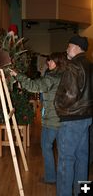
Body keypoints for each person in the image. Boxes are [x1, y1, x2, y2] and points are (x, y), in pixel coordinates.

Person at [9, 52, 67, 184]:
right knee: (64, 152)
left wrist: (17, 75)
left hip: (52, 120)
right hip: (64, 119)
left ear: (57, 62)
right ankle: (64, 179)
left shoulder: (51, 78)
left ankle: (51, 177)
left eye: (51, 61)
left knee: (46, 147)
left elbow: (33, 86)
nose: (48, 63)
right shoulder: (65, 76)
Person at [54, 35, 93, 196]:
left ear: (76, 47)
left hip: (71, 120)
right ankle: (82, 193)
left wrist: (57, 105)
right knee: (82, 160)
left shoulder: (73, 66)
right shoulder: (90, 65)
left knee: (66, 161)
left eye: (69, 46)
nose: (67, 49)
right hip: (86, 118)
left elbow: (70, 95)